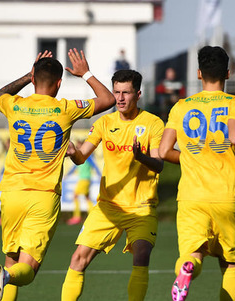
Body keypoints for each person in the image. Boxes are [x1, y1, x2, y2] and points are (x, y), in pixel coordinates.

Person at [0, 48, 115, 301]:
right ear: (59, 83)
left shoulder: (15, 105)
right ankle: (5, 277)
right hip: (43, 197)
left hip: (12, 193)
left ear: (34, 79)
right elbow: (108, 99)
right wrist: (85, 73)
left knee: (11, 258)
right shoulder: (65, 109)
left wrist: (28, 75)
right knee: (27, 269)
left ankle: (3, 277)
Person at [158, 46, 235, 301]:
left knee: (193, 254)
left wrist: (190, 158)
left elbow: (164, 150)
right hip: (226, 195)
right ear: (228, 73)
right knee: (231, 265)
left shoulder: (180, 107)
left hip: (191, 197)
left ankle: (187, 269)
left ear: (199, 73)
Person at [61, 69, 165, 301]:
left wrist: (142, 157)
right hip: (108, 207)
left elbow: (159, 165)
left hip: (141, 208)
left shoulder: (153, 123)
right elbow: (81, 158)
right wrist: (72, 152)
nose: (119, 98)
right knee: (78, 258)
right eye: (116, 92)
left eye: (125, 93)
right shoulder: (104, 123)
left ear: (138, 94)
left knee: (141, 256)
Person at [65, 139, 101, 225]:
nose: (76, 148)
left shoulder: (87, 156)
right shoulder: (78, 156)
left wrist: (100, 175)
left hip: (84, 179)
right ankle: (92, 217)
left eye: (78, 146)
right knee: (87, 198)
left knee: (75, 196)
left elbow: (94, 165)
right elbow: (74, 167)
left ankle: (77, 217)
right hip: (85, 179)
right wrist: (67, 175)